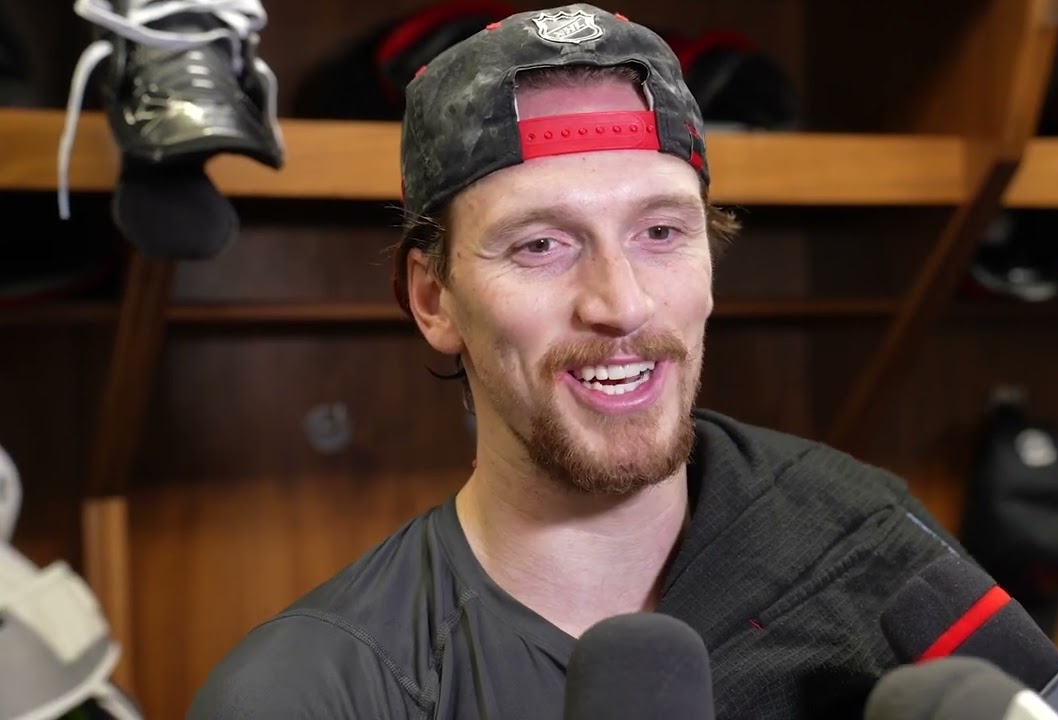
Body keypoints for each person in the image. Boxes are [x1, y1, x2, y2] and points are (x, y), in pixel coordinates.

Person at [188, 5, 964, 718]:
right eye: (541, 245)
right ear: (433, 300)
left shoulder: (864, 535)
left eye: (660, 232)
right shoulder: (317, 692)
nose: (621, 304)